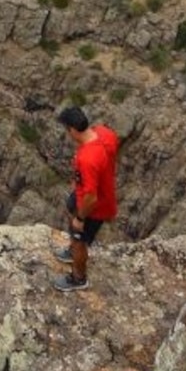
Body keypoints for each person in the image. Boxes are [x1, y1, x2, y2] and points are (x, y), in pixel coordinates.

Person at [55, 104, 120, 288]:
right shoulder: (105, 133)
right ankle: (72, 251)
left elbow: (91, 198)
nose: (67, 134)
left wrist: (80, 218)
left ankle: (78, 278)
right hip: (92, 193)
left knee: (79, 239)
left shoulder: (87, 159)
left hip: (94, 208)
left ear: (73, 129)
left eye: (67, 130)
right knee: (71, 204)